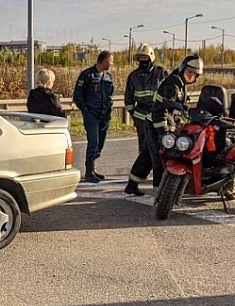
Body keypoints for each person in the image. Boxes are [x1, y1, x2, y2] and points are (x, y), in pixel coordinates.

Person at [139, 53, 204, 191]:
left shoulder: (180, 84)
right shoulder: (172, 84)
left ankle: (132, 186)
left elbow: (176, 110)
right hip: (155, 124)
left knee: (146, 157)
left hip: (160, 124)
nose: (191, 76)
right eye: (189, 72)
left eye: (194, 74)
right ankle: (158, 192)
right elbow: (160, 109)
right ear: (182, 69)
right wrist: (163, 133)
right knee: (159, 159)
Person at [123, 44, 169, 196]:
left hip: (157, 115)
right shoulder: (134, 76)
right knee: (152, 151)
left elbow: (169, 92)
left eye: (145, 58)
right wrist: (133, 114)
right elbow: (128, 97)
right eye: (140, 58)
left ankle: (134, 182)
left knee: (150, 151)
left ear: (151, 58)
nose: (143, 61)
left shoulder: (161, 72)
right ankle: (157, 186)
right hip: (142, 117)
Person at [73, 51, 114, 183]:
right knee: (93, 143)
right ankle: (89, 172)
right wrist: (85, 111)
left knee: (100, 145)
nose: (112, 63)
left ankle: (93, 168)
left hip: (105, 115)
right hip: (92, 115)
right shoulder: (87, 75)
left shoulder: (109, 76)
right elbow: (77, 96)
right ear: (103, 61)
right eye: (110, 61)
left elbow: (110, 94)